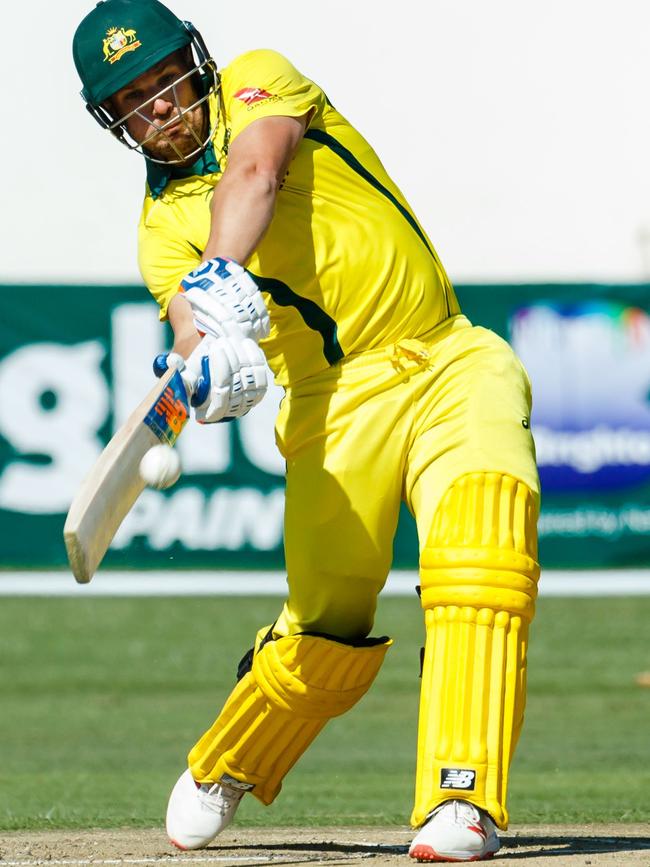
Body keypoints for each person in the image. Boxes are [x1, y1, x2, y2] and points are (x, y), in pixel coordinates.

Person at [72, 1, 541, 861]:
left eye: (167, 79)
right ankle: (228, 762)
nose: (162, 107)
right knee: (327, 620)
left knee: (482, 559)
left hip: (448, 355)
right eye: (135, 101)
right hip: (334, 406)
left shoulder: (260, 79)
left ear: (198, 64)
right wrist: (207, 367)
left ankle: (459, 798)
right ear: (115, 121)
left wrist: (222, 278)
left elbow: (256, 173)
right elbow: (188, 324)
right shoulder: (159, 233)